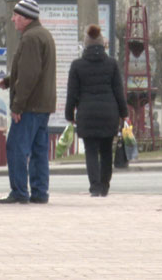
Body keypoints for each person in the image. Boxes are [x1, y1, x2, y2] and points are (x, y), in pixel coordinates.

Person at [0, 0, 56, 205]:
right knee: (39, 150)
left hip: (30, 105)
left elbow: (30, 75)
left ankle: (19, 191)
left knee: (16, 147)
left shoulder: (30, 38)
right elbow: (34, 70)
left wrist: (17, 106)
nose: (13, 19)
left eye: (15, 16)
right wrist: (10, 81)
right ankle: (40, 192)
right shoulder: (43, 35)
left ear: (25, 18)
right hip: (43, 105)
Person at [65, 24, 128, 197]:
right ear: (103, 45)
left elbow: (72, 94)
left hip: (86, 114)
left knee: (91, 151)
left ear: (85, 45)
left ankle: (94, 187)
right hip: (109, 114)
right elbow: (118, 91)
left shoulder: (77, 66)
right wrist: (124, 113)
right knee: (107, 150)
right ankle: (105, 186)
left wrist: (69, 115)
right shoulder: (112, 65)